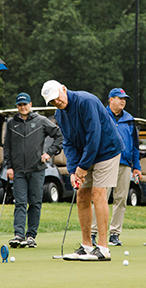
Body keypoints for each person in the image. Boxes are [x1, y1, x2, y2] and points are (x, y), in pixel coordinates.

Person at [42, 80, 122, 261]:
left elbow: (94, 135)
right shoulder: (60, 114)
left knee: (98, 193)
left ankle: (103, 248)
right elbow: (69, 143)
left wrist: (82, 167)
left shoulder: (86, 101)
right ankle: (87, 246)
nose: (57, 102)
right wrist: (73, 171)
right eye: (52, 101)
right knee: (82, 195)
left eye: (57, 98)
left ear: (64, 89)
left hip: (107, 150)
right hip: (87, 154)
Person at [5, 92, 63, 249]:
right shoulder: (11, 123)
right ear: (17, 106)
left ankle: (31, 236)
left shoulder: (41, 121)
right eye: (20, 105)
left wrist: (49, 152)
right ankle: (18, 234)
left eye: (25, 104)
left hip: (37, 169)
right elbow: (7, 147)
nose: (23, 107)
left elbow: (59, 136)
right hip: (18, 171)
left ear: (30, 105)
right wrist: (8, 166)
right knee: (20, 202)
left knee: (35, 202)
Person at [90, 88, 141, 247]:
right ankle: (93, 232)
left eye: (124, 98)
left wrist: (136, 166)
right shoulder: (101, 115)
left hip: (125, 164)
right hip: (105, 162)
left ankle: (115, 234)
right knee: (101, 198)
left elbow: (135, 146)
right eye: (120, 98)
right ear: (110, 99)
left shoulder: (129, 119)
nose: (123, 101)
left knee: (121, 199)